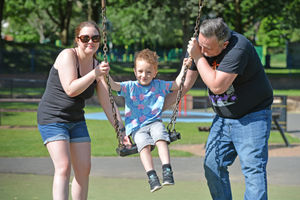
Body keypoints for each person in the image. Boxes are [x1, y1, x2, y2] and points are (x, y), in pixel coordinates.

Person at [165, 18, 273, 200]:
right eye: (200, 44)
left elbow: (217, 86)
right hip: (223, 118)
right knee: (212, 165)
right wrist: (155, 110)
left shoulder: (239, 48)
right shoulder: (198, 45)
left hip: (252, 116)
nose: (203, 51)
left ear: (224, 44)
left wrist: (198, 56)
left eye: (208, 48)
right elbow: (184, 84)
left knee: (253, 169)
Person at [37, 21, 128, 200]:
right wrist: (94, 74)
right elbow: (71, 89)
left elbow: (107, 102)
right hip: (53, 118)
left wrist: (121, 130)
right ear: (77, 40)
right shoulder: (67, 56)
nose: (90, 42)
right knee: (63, 166)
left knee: (84, 168)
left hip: (76, 120)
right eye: (85, 38)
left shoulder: (97, 65)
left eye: (95, 38)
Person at [109, 49, 192, 192]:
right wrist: (106, 75)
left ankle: (167, 170)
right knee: (143, 146)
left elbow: (177, 84)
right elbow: (115, 86)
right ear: (135, 71)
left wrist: (185, 67)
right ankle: (152, 176)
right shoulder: (130, 87)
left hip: (155, 123)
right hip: (137, 128)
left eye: (148, 72)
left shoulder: (159, 85)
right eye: (140, 71)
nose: (144, 75)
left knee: (161, 138)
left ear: (155, 72)